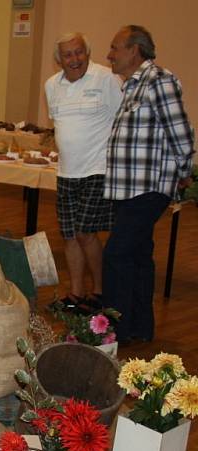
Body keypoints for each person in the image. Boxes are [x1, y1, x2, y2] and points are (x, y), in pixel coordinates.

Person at [103, 25, 194, 343]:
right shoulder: (131, 86)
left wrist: (185, 170)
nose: (109, 54)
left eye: (115, 47)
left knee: (115, 254)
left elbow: (180, 131)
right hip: (129, 188)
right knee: (138, 257)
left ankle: (115, 330)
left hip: (149, 187)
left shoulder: (159, 81)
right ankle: (141, 328)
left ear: (134, 50)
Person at [44, 33, 122, 313]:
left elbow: (120, 121)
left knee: (85, 232)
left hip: (97, 169)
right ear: (59, 60)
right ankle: (76, 292)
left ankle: (100, 291)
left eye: (79, 53)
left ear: (87, 54)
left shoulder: (107, 79)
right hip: (66, 172)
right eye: (68, 55)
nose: (74, 59)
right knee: (68, 235)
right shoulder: (51, 85)